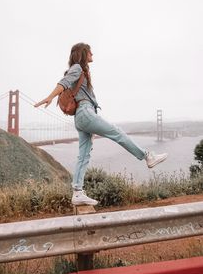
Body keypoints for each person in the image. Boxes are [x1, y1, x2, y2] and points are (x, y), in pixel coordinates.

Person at [34, 43, 168, 206]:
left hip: (81, 118)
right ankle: (148, 156)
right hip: (85, 112)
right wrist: (50, 96)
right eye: (90, 51)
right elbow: (63, 82)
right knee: (116, 132)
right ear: (84, 53)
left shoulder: (82, 71)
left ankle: (77, 192)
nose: (93, 54)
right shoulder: (77, 68)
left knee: (83, 155)